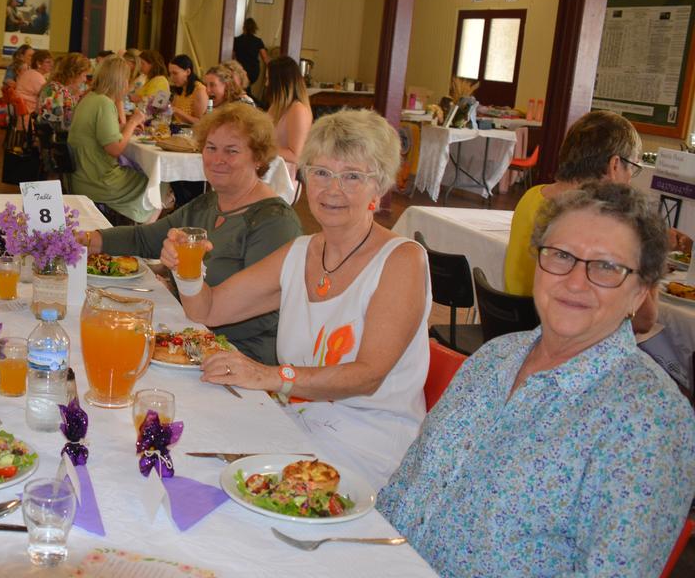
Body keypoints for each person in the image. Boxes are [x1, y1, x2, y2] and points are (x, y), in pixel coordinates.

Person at [379, 181, 695, 577]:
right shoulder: (495, 357)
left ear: (640, 294)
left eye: (607, 267)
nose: (576, 281)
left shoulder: (649, 419)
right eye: (562, 255)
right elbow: (406, 485)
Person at [163, 109, 430, 487]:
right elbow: (207, 309)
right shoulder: (300, 252)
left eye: (352, 176)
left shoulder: (402, 260)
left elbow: (368, 376)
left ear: (380, 186)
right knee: (182, 447)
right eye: (320, 172)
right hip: (296, 425)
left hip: (368, 446)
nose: (331, 189)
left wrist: (269, 376)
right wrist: (187, 270)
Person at [81, 104, 301, 363]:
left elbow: (260, 316)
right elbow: (143, 239)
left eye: (231, 151)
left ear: (259, 158)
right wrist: (86, 239)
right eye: (211, 148)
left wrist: (179, 307)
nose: (217, 159)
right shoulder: (207, 205)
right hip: (187, 334)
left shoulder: (273, 221)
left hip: (238, 354)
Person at [503, 111, 666, 335]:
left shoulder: (532, 195)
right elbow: (644, 320)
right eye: (632, 168)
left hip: (515, 326)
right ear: (615, 165)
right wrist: (654, 253)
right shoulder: (601, 222)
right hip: (562, 334)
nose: (630, 178)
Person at [67, 56, 152, 223]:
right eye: (127, 80)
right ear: (121, 81)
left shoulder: (90, 98)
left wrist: (125, 127)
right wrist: (133, 122)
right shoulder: (104, 103)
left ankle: (133, 226)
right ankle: (144, 237)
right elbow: (115, 149)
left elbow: (99, 131)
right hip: (98, 181)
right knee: (158, 183)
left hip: (81, 176)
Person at [263, 56, 313, 181]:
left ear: (279, 81)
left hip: (283, 178)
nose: (266, 84)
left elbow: (296, 155)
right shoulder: (276, 106)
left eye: (268, 79)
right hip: (269, 171)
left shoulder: (298, 109)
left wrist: (262, 148)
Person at [37, 52, 92, 131]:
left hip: (52, 138)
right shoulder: (58, 91)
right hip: (57, 139)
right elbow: (64, 125)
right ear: (74, 74)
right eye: (84, 75)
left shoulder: (55, 87)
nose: (85, 79)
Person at [131, 49, 171, 126]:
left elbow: (159, 105)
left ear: (152, 64)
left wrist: (138, 98)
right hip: (145, 119)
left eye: (143, 64)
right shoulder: (147, 79)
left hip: (155, 123)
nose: (140, 67)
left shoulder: (161, 80)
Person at [168, 55, 209, 125]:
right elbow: (173, 113)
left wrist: (177, 111)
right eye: (170, 73)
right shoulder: (180, 87)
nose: (171, 78)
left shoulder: (199, 90)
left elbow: (200, 122)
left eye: (175, 73)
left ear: (188, 72)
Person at [233, 17, 270, 90]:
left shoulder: (237, 40)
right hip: (253, 72)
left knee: (243, 87)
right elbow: (266, 59)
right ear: (254, 29)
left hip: (240, 70)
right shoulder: (258, 41)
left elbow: (232, 57)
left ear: (244, 27)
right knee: (246, 88)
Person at [15, 49, 52, 118]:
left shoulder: (30, 73)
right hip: (31, 116)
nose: (51, 65)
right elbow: (48, 96)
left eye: (51, 62)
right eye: (48, 62)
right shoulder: (36, 76)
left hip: (24, 114)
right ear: (38, 63)